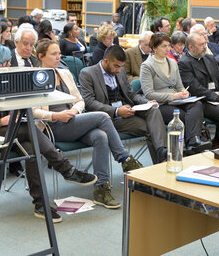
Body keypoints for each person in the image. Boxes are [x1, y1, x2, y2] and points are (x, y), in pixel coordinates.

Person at [0, 43, 98, 222]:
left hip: (14, 132)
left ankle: (41, 204)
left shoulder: (5, 80)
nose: (8, 66)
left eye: (9, 62)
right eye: (4, 62)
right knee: (27, 128)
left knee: (31, 150)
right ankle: (66, 169)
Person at [34, 39, 144, 209]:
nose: (58, 57)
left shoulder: (65, 73)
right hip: (53, 125)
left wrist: (75, 111)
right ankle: (124, 157)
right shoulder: (35, 77)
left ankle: (101, 188)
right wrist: (56, 115)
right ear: (41, 56)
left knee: (101, 136)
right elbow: (32, 111)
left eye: (59, 53)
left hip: (73, 120)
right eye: (53, 54)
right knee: (102, 117)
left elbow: (80, 100)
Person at [79, 45, 168, 164]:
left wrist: (146, 102)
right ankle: (162, 161)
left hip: (128, 110)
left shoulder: (120, 72)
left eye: (121, 66)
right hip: (109, 118)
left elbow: (131, 95)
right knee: (152, 129)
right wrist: (116, 111)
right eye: (116, 66)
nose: (118, 70)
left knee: (153, 110)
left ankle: (162, 153)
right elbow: (89, 103)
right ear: (106, 61)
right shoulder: (87, 74)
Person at [139, 33, 211, 153]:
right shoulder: (147, 66)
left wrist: (183, 92)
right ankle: (191, 146)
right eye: (163, 46)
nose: (168, 49)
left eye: (168, 46)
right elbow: (149, 94)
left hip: (176, 100)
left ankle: (192, 141)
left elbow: (179, 85)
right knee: (183, 117)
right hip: (161, 104)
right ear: (154, 48)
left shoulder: (172, 62)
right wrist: (173, 96)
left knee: (197, 105)